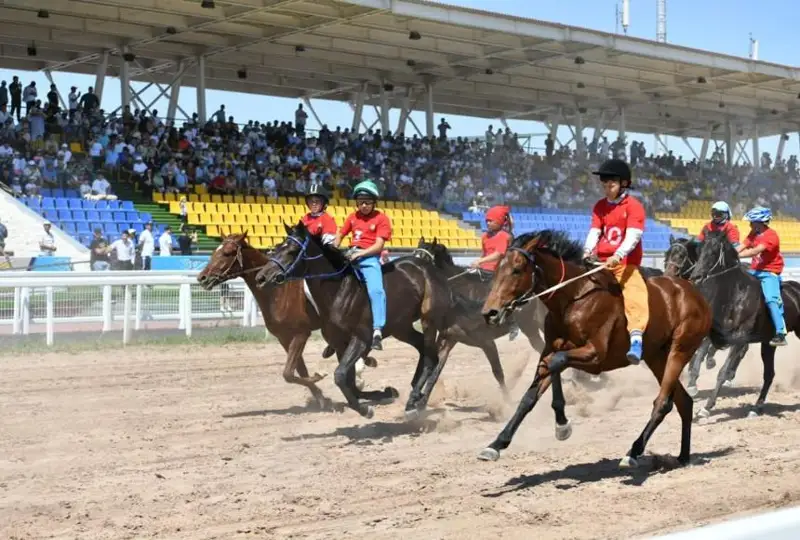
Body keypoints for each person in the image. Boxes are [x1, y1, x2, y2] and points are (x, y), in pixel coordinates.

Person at [583, 158, 649, 365]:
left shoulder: (634, 206)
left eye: (610, 185)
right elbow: (595, 231)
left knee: (634, 294)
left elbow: (633, 236)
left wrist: (618, 255)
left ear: (624, 184)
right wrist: (587, 251)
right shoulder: (599, 206)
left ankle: (636, 339)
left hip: (624, 264)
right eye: (604, 185)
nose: (606, 189)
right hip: (600, 262)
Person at [333, 179, 392, 350]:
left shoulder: (381, 219)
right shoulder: (352, 217)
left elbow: (379, 246)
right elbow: (340, 234)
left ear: (374, 202)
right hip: (350, 256)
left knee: (376, 290)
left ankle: (377, 330)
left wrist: (360, 253)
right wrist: (334, 248)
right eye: (360, 202)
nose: (364, 205)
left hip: (369, 258)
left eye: (367, 202)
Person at [737, 206, 787, 347]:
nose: (750, 225)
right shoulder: (753, 233)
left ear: (760, 222)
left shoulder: (771, 236)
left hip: (769, 273)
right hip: (754, 271)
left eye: (752, 222)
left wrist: (735, 255)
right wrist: (731, 251)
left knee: (771, 300)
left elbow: (755, 251)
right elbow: (743, 245)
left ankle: (780, 333)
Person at [471, 205, 520, 340]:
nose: (488, 223)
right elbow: (484, 254)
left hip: (499, 272)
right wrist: (478, 263)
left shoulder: (503, 236)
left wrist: (480, 262)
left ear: (499, 222)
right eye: (487, 221)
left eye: (491, 221)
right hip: (483, 270)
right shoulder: (485, 237)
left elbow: (499, 254)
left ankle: (512, 323)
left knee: (495, 293)